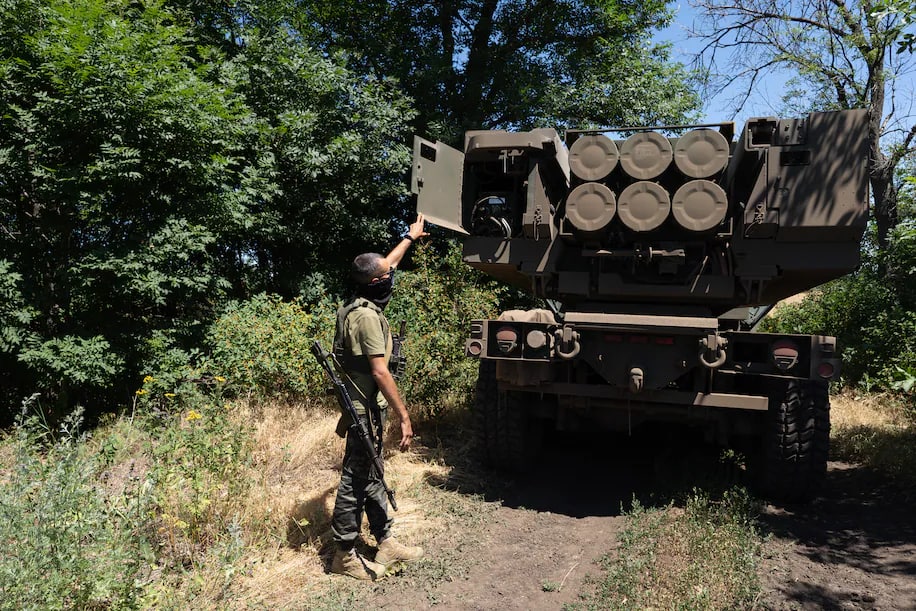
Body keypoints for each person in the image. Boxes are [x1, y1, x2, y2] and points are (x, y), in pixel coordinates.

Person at [329, 213, 429, 581]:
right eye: (387, 276)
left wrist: (410, 237)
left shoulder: (362, 298)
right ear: (375, 283)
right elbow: (380, 372)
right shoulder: (367, 318)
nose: (392, 277)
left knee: (372, 471)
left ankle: (385, 541)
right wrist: (405, 416)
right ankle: (343, 555)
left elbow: (389, 264)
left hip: (368, 407)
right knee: (354, 479)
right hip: (363, 408)